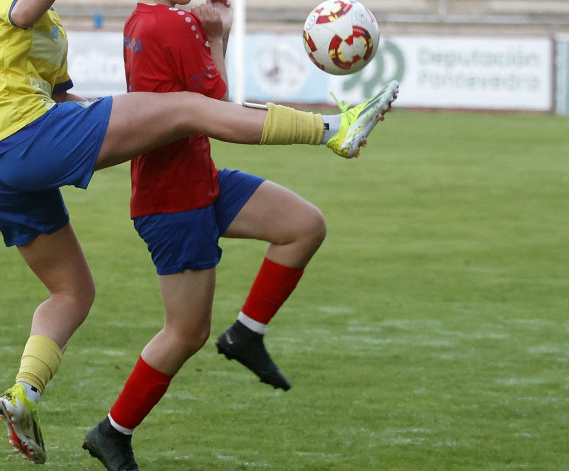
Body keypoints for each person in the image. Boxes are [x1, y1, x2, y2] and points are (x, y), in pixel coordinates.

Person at [0, 0, 398, 466]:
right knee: (192, 111)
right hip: (21, 137)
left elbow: (61, 97)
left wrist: (134, 115)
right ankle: (333, 129)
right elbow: (26, 14)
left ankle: (24, 392)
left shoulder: (76, 26)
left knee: (72, 293)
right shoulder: (14, 7)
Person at [79, 1, 372, 470]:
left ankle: (246, 334)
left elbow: (203, 101)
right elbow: (218, 109)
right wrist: (217, 35)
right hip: (174, 201)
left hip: (199, 178)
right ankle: (112, 432)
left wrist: (216, 31)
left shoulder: (144, 15)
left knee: (303, 226)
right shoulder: (173, 23)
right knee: (186, 333)